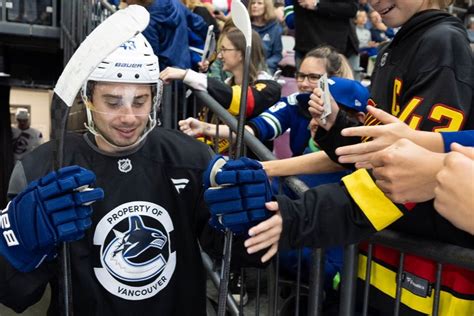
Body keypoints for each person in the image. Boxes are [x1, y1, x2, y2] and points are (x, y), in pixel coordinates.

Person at [205, 0, 474, 314]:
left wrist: (296, 217)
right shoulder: (402, 42)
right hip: (380, 257)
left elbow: (401, 174)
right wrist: (336, 130)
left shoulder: (441, 43)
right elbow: (382, 152)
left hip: (426, 281)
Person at [0, 34, 265, 315]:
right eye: (113, 102)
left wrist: (254, 218)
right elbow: (14, 294)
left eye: (139, 102)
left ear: (155, 98)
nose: (128, 117)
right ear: (88, 98)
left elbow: (239, 253)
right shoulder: (40, 168)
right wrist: (18, 246)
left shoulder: (191, 157)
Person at [160, 27, 281, 154]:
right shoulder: (227, 85)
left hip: (252, 167)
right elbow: (205, 125)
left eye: (224, 49)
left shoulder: (270, 89)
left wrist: (187, 75)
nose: (219, 56)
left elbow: (240, 100)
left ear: (241, 53)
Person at [125, 0, 208, 70]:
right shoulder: (176, 3)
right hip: (184, 68)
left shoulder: (146, 20)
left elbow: (150, 55)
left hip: (164, 75)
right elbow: (200, 25)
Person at [249, 0, 283, 74]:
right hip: (245, 66)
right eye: (253, 3)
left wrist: (263, 66)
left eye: (259, 3)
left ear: (267, 7)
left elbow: (277, 55)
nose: (255, 6)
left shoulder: (275, 28)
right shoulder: (245, 25)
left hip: (266, 69)